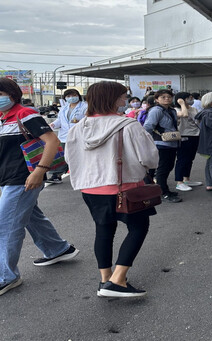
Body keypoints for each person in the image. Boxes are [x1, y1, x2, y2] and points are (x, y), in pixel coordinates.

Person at [65, 81, 159, 298]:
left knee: (104, 229)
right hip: (125, 188)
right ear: (113, 99)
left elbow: (70, 159)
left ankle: (105, 279)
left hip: (90, 189)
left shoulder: (78, 128)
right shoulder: (128, 125)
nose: (126, 100)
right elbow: (150, 159)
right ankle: (118, 279)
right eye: (123, 96)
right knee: (138, 228)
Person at [0, 77, 79, 296]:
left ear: (12, 94)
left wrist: (40, 171)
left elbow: (52, 141)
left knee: (5, 225)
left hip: (24, 177)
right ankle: (57, 249)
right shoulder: (3, 117)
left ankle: (6, 276)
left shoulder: (25, 114)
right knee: (29, 216)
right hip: (10, 178)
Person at [143, 89, 182, 203]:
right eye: (163, 97)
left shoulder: (171, 110)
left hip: (171, 142)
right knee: (163, 168)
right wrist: (148, 142)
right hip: (161, 143)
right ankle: (163, 192)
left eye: (169, 97)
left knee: (167, 167)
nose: (167, 99)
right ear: (156, 99)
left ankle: (152, 189)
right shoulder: (156, 110)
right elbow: (148, 127)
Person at [47, 89, 87, 184]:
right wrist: (52, 125)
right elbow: (60, 120)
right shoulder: (64, 108)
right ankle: (56, 175)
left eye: (73, 95)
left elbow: (87, 120)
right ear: (65, 98)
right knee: (61, 156)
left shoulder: (85, 107)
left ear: (78, 96)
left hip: (79, 136)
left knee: (78, 156)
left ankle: (82, 175)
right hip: (64, 136)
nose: (71, 98)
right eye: (68, 96)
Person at [174, 92, 202, 191]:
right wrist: (182, 104)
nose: (191, 99)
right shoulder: (176, 110)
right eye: (189, 98)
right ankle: (179, 182)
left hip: (195, 134)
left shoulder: (193, 108)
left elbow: (198, 120)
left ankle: (186, 179)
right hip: (183, 135)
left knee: (190, 158)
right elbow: (184, 115)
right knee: (182, 159)